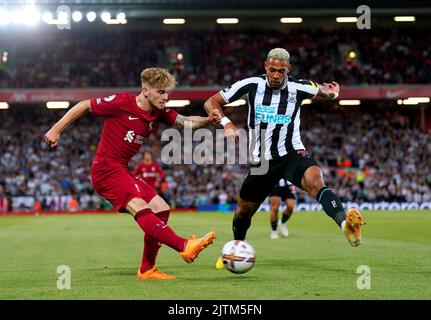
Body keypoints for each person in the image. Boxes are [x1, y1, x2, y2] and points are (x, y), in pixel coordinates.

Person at [45, 67, 218, 280]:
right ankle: (184, 245)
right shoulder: (122, 102)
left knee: (161, 208)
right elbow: (84, 105)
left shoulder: (158, 112)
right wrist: (56, 129)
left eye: (167, 93)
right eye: (161, 92)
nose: (166, 97)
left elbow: (186, 121)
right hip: (106, 169)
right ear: (145, 90)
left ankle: (147, 269)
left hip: (122, 169)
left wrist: (209, 120)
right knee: (140, 206)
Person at [205, 48, 365, 251]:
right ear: (265, 66)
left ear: (288, 69)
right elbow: (211, 102)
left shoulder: (299, 87)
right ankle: (237, 248)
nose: (276, 75)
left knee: (316, 181)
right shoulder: (251, 84)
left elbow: (323, 91)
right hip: (262, 161)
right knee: (244, 211)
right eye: (272, 70)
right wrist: (227, 123)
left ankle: (345, 225)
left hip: (292, 153)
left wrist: (333, 94)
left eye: (281, 71)